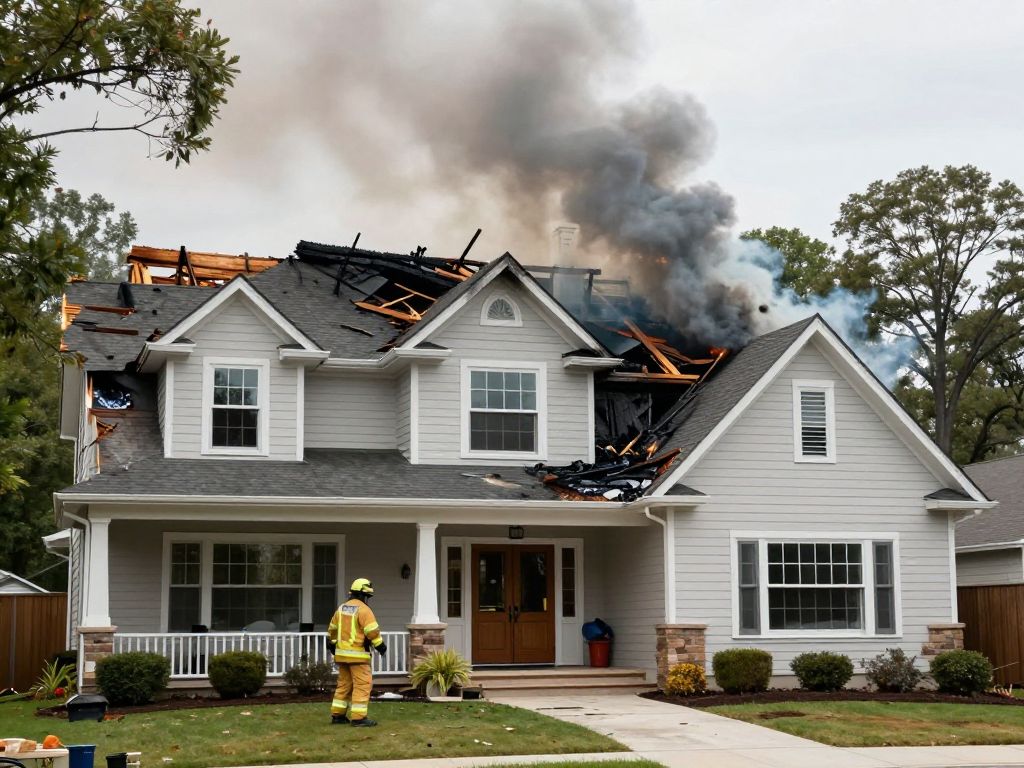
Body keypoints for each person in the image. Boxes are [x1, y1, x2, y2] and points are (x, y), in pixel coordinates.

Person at [326, 577, 387, 726]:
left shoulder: (341, 608)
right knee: (362, 685)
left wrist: (332, 644)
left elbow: (332, 629)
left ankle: (338, 715)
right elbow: (372, 631)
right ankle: (359, 718)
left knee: (344, 685)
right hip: (358, 657)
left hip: (342, 655)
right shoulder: (364, 610)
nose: (367, 599)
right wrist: (381, 646)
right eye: (367, 596)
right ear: (362, 595)